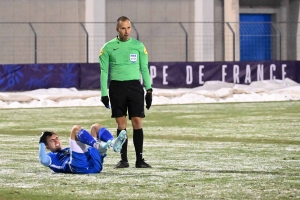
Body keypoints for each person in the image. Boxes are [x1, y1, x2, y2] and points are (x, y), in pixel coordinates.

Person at [99, 16, 153, 168]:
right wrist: (104, 93)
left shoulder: (138, 46)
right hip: (117, 88)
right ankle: (124, 160)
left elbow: (144, 69)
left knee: (137, 121)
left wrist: (149, 90)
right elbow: (104, 72)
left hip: (135, 87)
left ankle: (140, 159)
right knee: (121, 123)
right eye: (123, 28)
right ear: (117, 29)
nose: (126, 31)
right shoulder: (108, 47)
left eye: (129, 27)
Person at [38, 123, 127, 174]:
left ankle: (112, 143)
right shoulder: (51, 157)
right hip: (79, 167)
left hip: (94, 164)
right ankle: (99, 147)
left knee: (95, 127)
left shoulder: (67, 149)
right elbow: (43, 160)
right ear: (47, 147)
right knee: (75, 129)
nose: (56, 141)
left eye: (57, 138)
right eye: (52, 141)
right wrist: (41, 141)